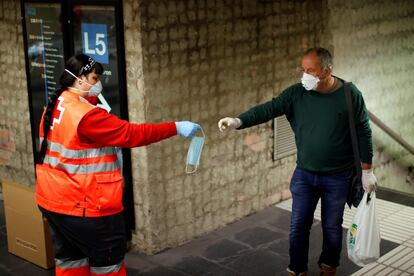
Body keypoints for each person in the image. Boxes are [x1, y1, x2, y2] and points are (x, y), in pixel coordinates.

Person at [35, 54, 201, 276]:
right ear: (80, 79)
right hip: (87, 206)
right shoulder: (87, 117)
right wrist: (176, 127)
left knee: (71, 262)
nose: (98, 84)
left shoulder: (56, 105)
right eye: (94, 78)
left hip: (54, 201)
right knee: (108, 267)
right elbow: (132, 134)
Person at [218, 47, 377, 276]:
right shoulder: (296, 94)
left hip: (338, 176)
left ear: (327, 70)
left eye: (310, 70)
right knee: (298, 226)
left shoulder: (350, 95)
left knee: (332, 227)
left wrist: (367, 170)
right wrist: (238, 121)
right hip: (305, 174)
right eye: (303, 69)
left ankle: (328, 267)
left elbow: (363, 130)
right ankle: (297, 269)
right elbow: (269, 108)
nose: (305, 75)